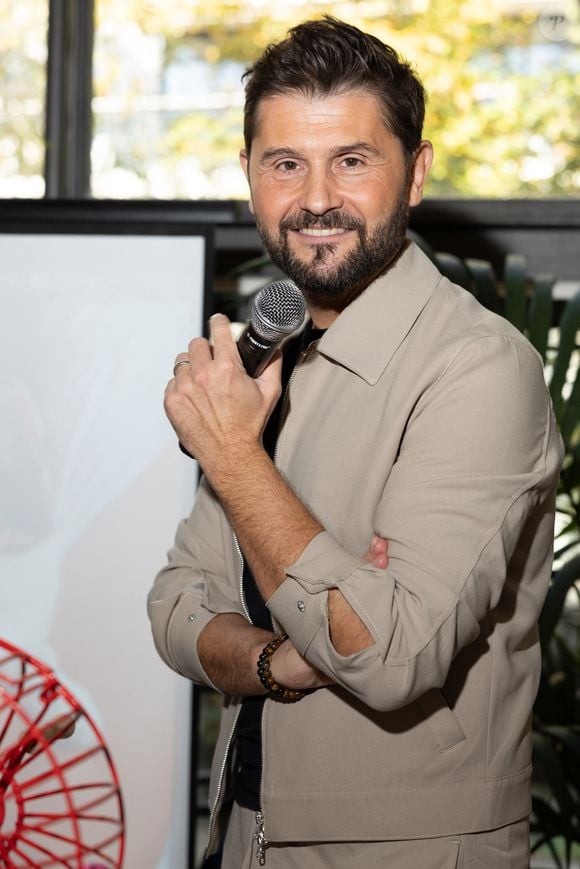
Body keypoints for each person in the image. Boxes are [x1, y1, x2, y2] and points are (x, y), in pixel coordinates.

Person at [148, 16, 563, 868]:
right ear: (250, 177)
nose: (315, 199)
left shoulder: (480, 368)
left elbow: (385, 651)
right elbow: (175, 605)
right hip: (244, 838)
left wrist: (235, 458)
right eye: (285, 163)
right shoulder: (266, 361)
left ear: (414, 175)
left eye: (352, 160)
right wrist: (275, 660)